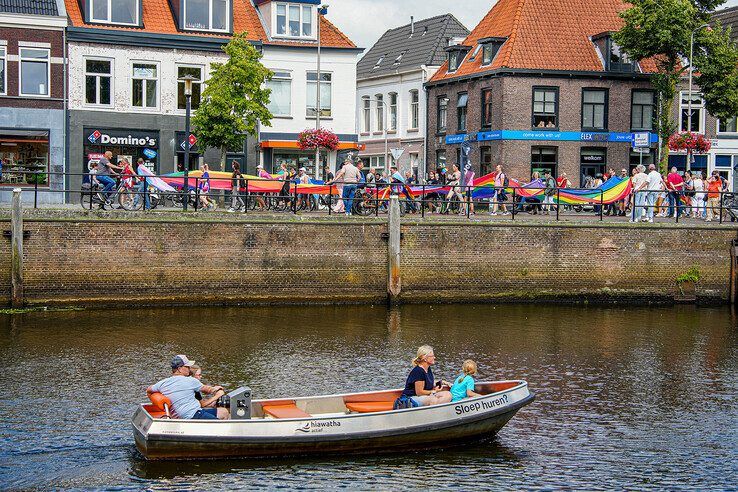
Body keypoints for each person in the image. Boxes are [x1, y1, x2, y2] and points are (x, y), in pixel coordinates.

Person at [146, 355, 229, 420]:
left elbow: (149, 390)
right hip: (193, 415)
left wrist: (156, 400)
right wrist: (218, 391)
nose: (189, 369)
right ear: (179, 369)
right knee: (222, 425)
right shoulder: (191, 381)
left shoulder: (162, 383)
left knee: (224, 412)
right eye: (187, 367)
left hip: (190, 413)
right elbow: (208, 390)